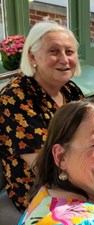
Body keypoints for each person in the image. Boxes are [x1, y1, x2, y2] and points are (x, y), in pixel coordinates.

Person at [0, 21, 84, 212]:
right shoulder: (15, 99)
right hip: (39, 190)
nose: (64, 59)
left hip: (77, 173)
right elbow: (42, 168)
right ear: (32, 57)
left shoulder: (70, 91)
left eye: (69, 52)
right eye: (54, 51)